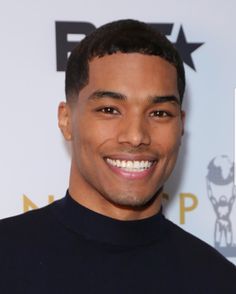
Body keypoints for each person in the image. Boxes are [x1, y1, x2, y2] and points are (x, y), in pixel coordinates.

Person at [0, 19, 235, 294]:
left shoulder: (219, 280)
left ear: (181, 125)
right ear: (66, 120)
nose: (135, 136)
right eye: (110, 110)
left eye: (159, 113)